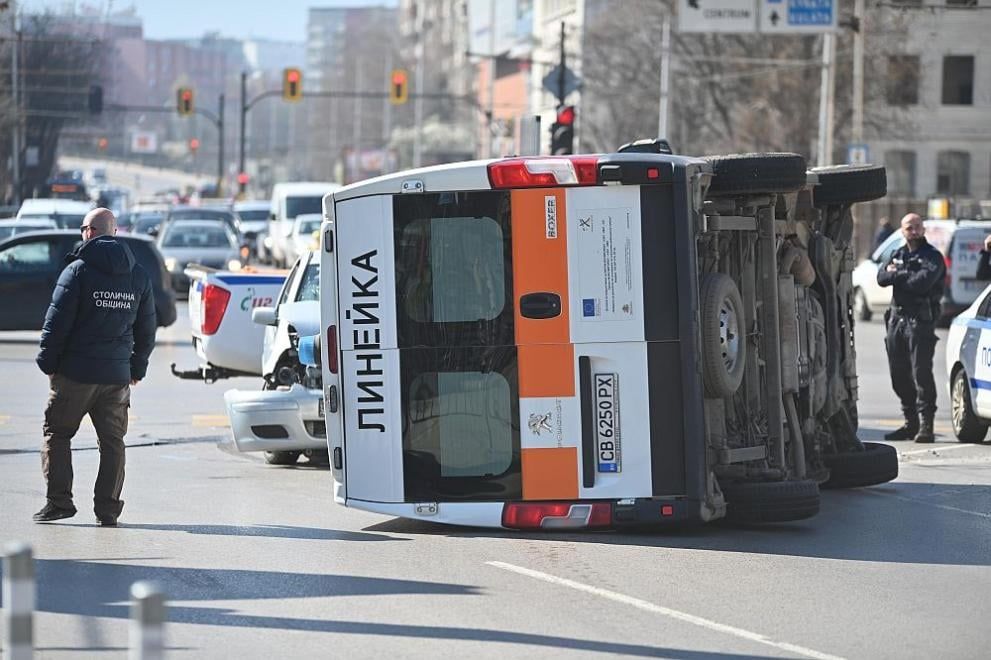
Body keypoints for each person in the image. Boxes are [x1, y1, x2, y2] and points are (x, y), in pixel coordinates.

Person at [33, 208, 156, 526]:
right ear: (113, 232)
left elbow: (56, 323)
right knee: (112, 442)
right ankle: (108, 510)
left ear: (89, 232)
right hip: (116, 377)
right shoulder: (138, 275)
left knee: (57, 433)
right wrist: (136, 369)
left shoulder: (77, 271)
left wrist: (48, 363)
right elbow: (147, 330)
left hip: (75, 374)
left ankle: (59, 502)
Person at [877, 213, 946, 444]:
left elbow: (922, 283)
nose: (914, 231)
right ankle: (911, 422)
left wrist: (897, 275)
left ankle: (926, 425)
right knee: (898, 375)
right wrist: (902, 274)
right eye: (909, 227)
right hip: (896, 321)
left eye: (917, 227)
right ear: (902, 231)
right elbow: (881, 277)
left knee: (921, 373)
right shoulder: (897, 253)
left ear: (923, 230)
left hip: (920, 321)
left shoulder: (932, 256)